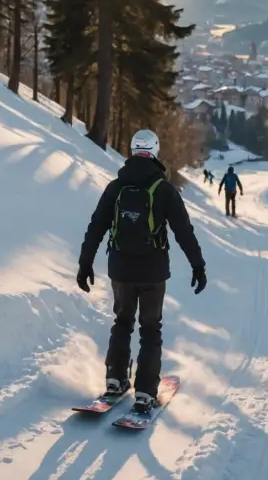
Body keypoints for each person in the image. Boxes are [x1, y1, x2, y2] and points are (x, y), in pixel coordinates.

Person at [77, 129, 207, 414]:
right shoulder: (164, 189)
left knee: (122, 322)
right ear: (156, 152)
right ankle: (146, 392)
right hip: (153, 272)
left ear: (132, 150)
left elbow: (96, 226)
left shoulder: (116, 187)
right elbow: (184, 231)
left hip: (120, 270)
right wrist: (198, 265)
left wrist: (85, 262)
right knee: (151, 329)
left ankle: (115, 379)